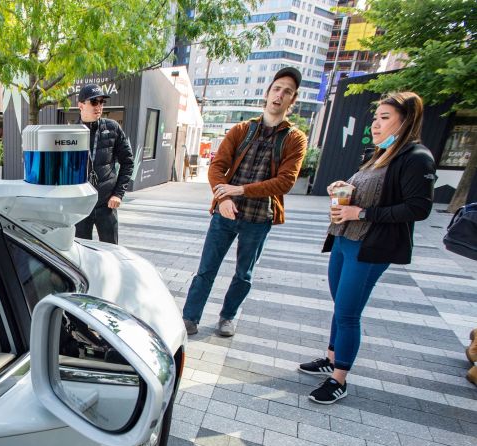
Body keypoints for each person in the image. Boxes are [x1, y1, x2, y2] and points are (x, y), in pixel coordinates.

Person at [299, 91, 435, 404]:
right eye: (375, 118)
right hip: (345, 240)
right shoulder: (378, 154)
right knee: (340, 305)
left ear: (406, 121)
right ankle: (332, 358)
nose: (376, 124)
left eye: (385, 118)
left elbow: (418, 208)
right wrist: (341, 190)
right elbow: (366, 192)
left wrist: (360, 213)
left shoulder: (416, 157)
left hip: (370, 247)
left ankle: (339, 379)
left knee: (348, 312)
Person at [182, 67, 308, 337]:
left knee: (244, 274)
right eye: (276, 89)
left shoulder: (294, 139)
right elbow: (217, 168)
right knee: (206, 270)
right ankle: (190, 317)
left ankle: (227, 317)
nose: (280, 95)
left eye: (287, 92)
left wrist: (238, 190)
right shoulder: (242, 130)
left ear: (292, 100)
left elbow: (285, 182)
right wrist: (223, 196)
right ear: (267, 93)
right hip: (225, 214)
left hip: (259, 218)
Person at [74, 83, 134, 244]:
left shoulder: (112, 128)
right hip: (81, 206)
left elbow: (128, 162)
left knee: (111, 252)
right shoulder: (71, 132)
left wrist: (118, 194)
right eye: (94, 102)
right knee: (81, 253)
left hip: (106, 205)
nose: (99, 106)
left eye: (101, 102)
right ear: (80, 105)